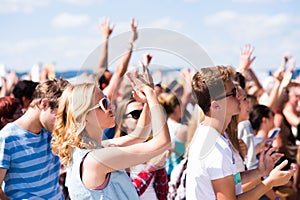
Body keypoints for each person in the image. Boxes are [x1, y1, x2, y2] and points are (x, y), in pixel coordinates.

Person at [51, 67, 171, 199]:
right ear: (83, 115)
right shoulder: (95, 160)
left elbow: (139, 135)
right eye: (103, 104)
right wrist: (151, 94)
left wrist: (148, 101)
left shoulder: (94, 148)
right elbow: (162, 142)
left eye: (108, 100)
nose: (111, 106)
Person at [186, 65, 294, 199]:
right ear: (215, 105)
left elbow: (231, 180)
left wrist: (260, 171)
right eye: (233, 93)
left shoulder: (214, 135)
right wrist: (270, 182)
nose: (239, 96)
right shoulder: (214, 148)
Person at [0, 78, 69, 199]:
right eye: (61, 116)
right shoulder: (7, 137)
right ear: (44, 104)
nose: (63, 122)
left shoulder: (51, 132)